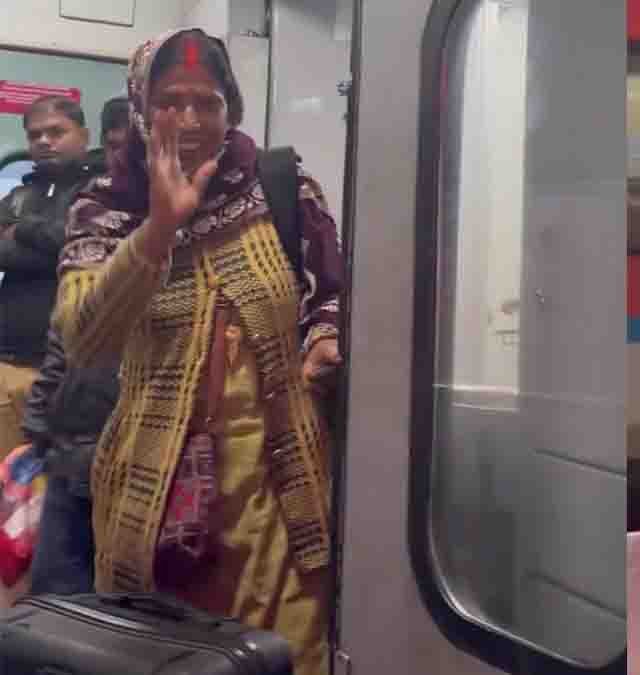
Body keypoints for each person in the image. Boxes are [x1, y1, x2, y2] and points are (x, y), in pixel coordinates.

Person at [54, 28, 342, 675]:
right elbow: (85, 338)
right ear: (139, 105)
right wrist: (158, 227)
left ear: (230, 108)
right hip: (153, 512)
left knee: (288, 660)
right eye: (170, 100)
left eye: (206, 102)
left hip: (277, 506)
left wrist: (326, 337)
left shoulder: (277, 185)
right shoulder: (105, 206)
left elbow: (331, 292)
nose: (188, 119)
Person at [24, 95, 132, 596]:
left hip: (135, 446)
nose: (120, 160)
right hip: (71, 442)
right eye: (114, 147)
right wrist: (40, 420)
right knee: (50, 593)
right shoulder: (91, 211)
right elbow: (64, 333)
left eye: (130, 146)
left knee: (121, 596)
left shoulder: (180, 224)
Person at [0, 95, 102, 455]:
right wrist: (53, 245)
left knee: (58, 488)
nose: (44, 142)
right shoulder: (18, 194)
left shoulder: (102, 190)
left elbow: (86, 244)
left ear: (84, 135)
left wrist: (22, 231)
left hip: (74, 372)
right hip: (10, 364)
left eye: (56, 131)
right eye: (35, 135)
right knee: (10, 489)